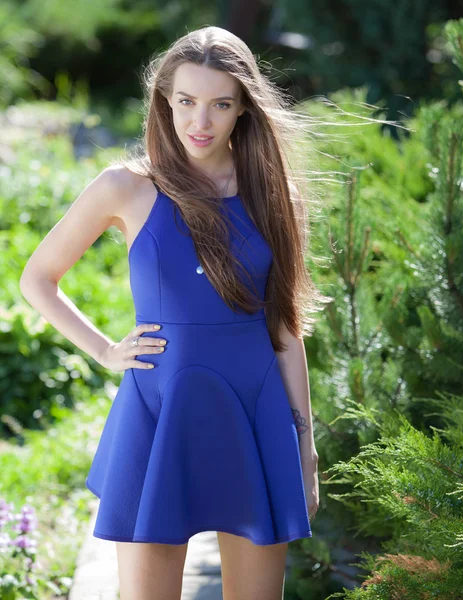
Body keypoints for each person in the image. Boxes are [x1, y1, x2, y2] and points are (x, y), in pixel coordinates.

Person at [19, 24, 399, 600]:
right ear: (165, 101)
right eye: (187, 102)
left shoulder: (273, 195)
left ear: (243, 108)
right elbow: (37, 279)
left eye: (220, 104)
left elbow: (285, 327)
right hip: (160, 407)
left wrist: (305, 445)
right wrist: (103, 349)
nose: (201, 122)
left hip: (256, 408)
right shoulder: (126, 187)